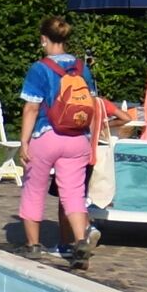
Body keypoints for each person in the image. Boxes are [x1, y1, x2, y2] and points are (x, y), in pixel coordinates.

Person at [16, 19, 104, 263]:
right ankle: (80, 242)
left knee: (34, 190)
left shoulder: (40, 68)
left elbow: (31, 108)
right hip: (77, 139)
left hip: (47, 135)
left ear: (44, 38)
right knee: (74, 193)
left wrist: (24, 141)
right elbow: (93, 103)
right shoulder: (81, 67)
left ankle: (32, 245)